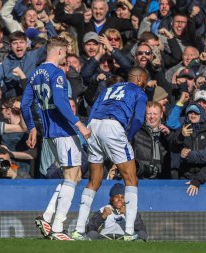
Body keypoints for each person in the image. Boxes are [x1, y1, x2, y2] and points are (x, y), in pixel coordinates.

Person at [21, 37, 90, 240]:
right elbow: (61, 101)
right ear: (59, 52)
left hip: (50, 132)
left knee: (75, 175)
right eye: (66, 54)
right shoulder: (57, 72)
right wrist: (79, 125)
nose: (66, 58)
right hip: (63, 130)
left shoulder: (33, 74)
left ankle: (47, 216)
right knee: (71, 177)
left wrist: (32, 128)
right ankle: (58, 227)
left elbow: (25, 105)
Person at [72, 66, 148, 241]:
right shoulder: (138, 91)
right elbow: (138, 119)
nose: (144, 85)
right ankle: (129, 232)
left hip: (94, 126)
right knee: (131, 178)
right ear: (139, 79)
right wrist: (127, 136)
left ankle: (78, 231)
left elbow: (93, 111)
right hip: (113, 126)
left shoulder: (108, 89)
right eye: (143, 81)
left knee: (94, 180)